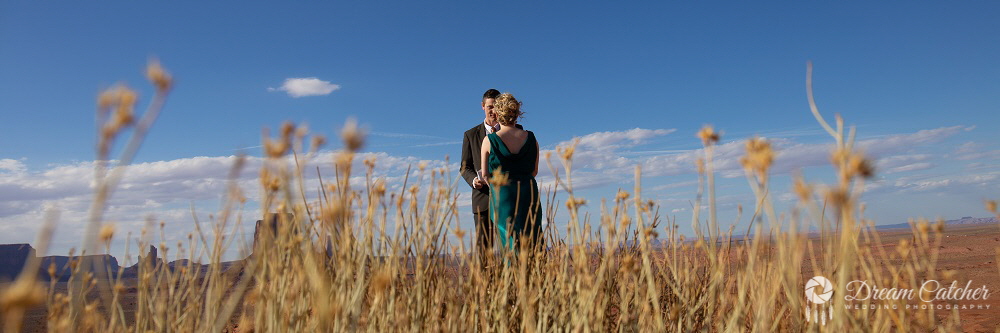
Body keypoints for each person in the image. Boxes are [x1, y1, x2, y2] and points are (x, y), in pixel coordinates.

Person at [479, 92, 542, 256]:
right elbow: (534, 171)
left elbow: (485, 175)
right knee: (533, 238)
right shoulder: (532, 138)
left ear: (498, 113)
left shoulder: (489, 140)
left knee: (509, 242)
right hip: (529, 193)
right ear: (517, 113)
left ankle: (513, 279)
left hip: (503, 195)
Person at [461, 89, 505, 263]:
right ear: (482, 107)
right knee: (484, 253)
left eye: (497, 107)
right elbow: (465, 167)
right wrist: (474, 180)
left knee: (509, 249)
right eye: (490, 106)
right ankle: (485, 289)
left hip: (507, 199)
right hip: (482, 200)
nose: (493, 111)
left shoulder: (513, 132)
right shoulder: (470, 135)